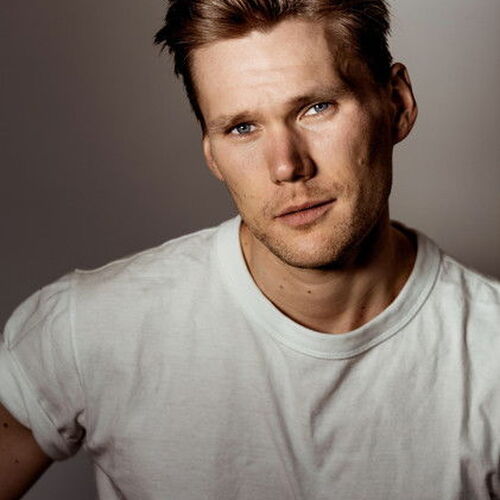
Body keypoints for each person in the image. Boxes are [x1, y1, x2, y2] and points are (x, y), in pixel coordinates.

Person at [1, 0, 499, 498]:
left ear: (397, 104)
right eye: (242, 127)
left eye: (316, 107)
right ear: (212, 155)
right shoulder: (92, 327)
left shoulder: (488, 355)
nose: (286, 166)